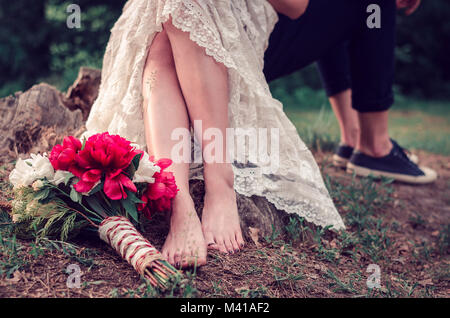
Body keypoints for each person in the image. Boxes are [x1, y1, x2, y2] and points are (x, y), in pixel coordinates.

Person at [84, 0, 345, 269]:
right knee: (170, 14)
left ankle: (218, 181)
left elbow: (296, 6)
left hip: (235, 14)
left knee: (181, 7)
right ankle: (179, 200)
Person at [264, 0, 437, 184]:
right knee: (376, 4)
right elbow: (295, 5)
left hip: (249, 37)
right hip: (242, 41)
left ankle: (353, 136)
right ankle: (376, 148)